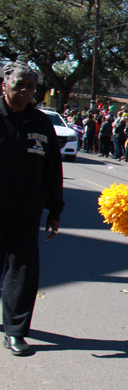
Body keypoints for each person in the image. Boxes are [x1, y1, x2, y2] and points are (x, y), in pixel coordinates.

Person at [0, 61, 64, 356]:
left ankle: (15, 332)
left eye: (30, 87)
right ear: (4, 85)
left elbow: (52, 170)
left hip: (26, 213)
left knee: (22, 274)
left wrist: (55, 210)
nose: (25, 91)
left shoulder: (41, 124)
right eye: (18, 85)